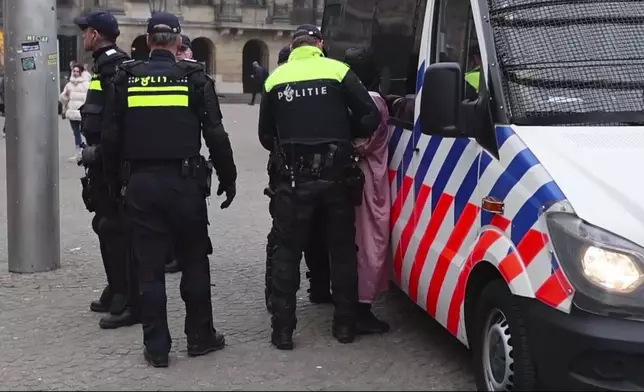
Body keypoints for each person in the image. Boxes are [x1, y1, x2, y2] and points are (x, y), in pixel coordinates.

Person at [102, 11, 237, 367]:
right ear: (179, 43)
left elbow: (110, 139)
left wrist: (114, 185)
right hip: (186, 185)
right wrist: (229, 177)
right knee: (194, 260)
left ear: (148, 42)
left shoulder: (124, 78)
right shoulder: (194, 77)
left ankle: (157, 348)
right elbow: (216, 135)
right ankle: (200, 337)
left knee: (149, 267)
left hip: (142, 185)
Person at [259, 25, 380, 350]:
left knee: (287, 253)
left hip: (293, 182)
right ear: (320, 44)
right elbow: (370, 116)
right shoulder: (338, 71)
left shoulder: (275, 79)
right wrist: (344, 130)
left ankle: (282, 331)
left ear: (293, 46)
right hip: (336, 177)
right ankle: (344, 326)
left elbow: (265, 136)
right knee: (341, 251)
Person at [74, 10, 140, 329]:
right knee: (106, 225)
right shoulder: (105, 65)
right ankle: (116, 288)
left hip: (111, 165)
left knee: (115, 228)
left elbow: (119, 124)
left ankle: (127, 296)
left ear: (96, 35)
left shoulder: (114, 67)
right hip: (103, 163)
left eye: (86, 31)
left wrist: (101, 155)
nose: (83, 36)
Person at [263, 44, 333, 314]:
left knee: (284, 237)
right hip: (294, 171)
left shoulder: (276, 89)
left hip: (285, 172)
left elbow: (265, 135)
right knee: (306, 234)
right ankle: (316, 286)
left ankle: (278, 295)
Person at [343, 46, 391, 334]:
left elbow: (362, 142)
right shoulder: (370, 100)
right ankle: (360, 306)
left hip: (361, 178)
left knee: (361, 241)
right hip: (367, 179)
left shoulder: (361, 100)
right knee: (369, 241)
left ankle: (357, 303)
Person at [164, 33, 194, 275]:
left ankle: (182, 254)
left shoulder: (194, 78)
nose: (181, 53)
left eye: (185, 50)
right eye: (179, 49)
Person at [59, 64, 89, 162]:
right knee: (76, 133)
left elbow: (87, 97)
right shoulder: (69, 84)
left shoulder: (86, 84)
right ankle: (78, 152)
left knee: (84, 132)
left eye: (77, 71)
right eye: (74, 71)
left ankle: (86, 151)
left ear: (81, 72)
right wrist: (66, 95)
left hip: (81, 112)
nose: (75, 73)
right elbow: (63, 99)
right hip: (71, 113)